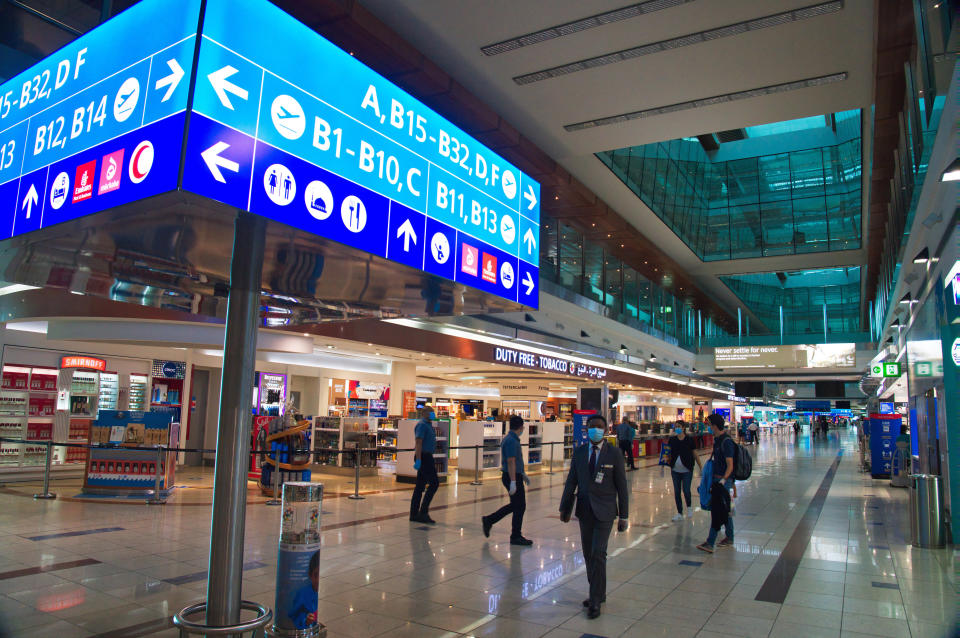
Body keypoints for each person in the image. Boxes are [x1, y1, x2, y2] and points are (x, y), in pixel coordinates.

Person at [559, 414, 629, 619]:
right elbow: (571, 481)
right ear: (586, 430)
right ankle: (598, 591)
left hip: (606, 511)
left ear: (606, 430)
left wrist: (624, 515)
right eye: (591, 427)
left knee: (599, 553)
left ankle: (595, 599)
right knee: (589, 554)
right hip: (584, 510)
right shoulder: (580, 453)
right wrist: (564, 508)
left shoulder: (614, 453)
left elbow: (622, 486)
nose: (595, 430)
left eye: (599, 427)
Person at [482, 416, 532, 545]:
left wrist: (523, 474)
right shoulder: (511, 441)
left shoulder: (512, 439)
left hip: (514, 474)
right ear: (520, 427)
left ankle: (491, 521)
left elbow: (515, 461)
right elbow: (510, 461)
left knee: (517, 506)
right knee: (519, 506)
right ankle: (513, 534)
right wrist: (514, 482)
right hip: (511, 476)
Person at [696, 413, 735, 554]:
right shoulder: (718, 440)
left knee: (717, 510)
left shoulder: (726, 442)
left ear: (714, 425)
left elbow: (730, 464)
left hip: (722, 481)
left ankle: (710, 542)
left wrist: (724, 481)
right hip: (718, 479)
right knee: (725, 510)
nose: (708, 428)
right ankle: (729, 537)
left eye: (709, 425)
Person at [667, 421, 702, 520]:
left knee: (686, 490)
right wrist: (664, 462)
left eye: (678, 427)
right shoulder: (672, 440)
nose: (676, 428)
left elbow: (694, 453)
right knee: (677, 491)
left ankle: (689, 507)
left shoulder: (689, 440)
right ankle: (679, 512)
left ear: (683, 428)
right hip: (675, 470)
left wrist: (700, 466)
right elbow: (668, 453)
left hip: (687, 470)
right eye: (675, 427)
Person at [410, 407, 439, 524]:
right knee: (434, 483)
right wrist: (418, 459)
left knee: (420, 486)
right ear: (423, 413)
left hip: (427, 456)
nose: (433, 414)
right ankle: (423, 512)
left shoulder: (429, 425)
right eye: (430, 412)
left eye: (433, 412)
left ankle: (414, 514)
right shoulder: (422, 425)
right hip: (424, 457)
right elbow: (418, 442)